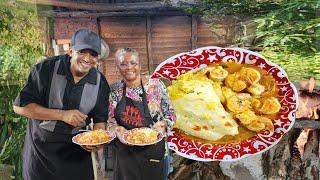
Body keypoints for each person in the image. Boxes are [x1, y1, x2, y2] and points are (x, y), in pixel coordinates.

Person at [13, 29, 110, 180]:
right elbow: (20, 107)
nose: (87, 58)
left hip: (77, 157)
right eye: (82, 51)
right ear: (71, 50)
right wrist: (62, 115)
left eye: (93, 54)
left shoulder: (100, 83)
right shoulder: (45, 70)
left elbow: (100, 120)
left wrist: (96, 141)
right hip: (41, 156)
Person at [107, 47, 176, 180]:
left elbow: (171, 114)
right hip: (126, 154)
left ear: (139, 64)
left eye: (133, 63)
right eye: (123, 64)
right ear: (117, 67)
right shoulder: (114, 91)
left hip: (154, 152)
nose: (129, 67)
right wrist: (118, 130)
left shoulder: (155, 86)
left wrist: (163, 124)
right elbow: (110, 121)